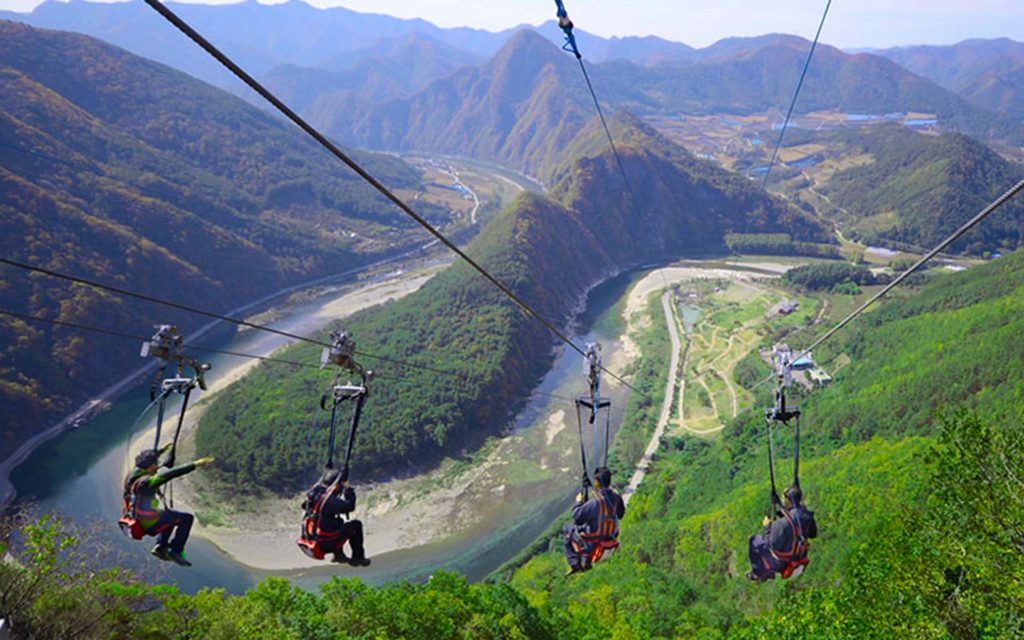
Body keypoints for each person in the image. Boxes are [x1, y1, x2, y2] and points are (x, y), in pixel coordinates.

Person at [122, 447, 214, 566]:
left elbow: (149, 460)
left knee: (169, 517)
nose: (158, 467)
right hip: (149, 524)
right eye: (156, 464)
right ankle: (176, 550)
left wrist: (162, 450)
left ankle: (161, 546)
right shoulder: (147, 482)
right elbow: (169, 474)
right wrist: (195, 464)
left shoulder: (134, 474)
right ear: (150, 466)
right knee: (187, 518)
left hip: (138, 517)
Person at [747, 485, 818, 582]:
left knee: (754, 540)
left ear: (788, 500)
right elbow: (813, 534)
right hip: (800, 555)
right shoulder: (807, 516)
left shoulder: (781, 524)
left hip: (782, 562)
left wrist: (767, 527)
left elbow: (771, 544)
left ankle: (759, 573)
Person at [302, 468, 370, 567]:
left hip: (312, 539)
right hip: (325, 544)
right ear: (337, 484)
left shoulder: (315, 494)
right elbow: (350, 506)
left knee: (335, 522)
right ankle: (358, 558)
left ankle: (339, 555)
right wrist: (348, 489)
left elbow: (304, 505)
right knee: (356, 525)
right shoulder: (329, 502)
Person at [563, 466, 625, 575]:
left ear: (596, 483)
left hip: (593, 540)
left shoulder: (595, 503)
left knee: (568, 528)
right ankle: (585, 559)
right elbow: (621, 514)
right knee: (589, 525)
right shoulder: (616, 498)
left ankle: (575, 564)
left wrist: (579, 502)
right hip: (610, 536)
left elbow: (578, 517)